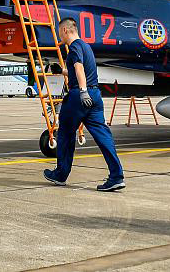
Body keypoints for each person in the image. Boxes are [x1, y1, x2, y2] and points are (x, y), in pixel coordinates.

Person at [43, 17, 125, 191]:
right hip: (95, 96)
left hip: (79, 96)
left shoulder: (73, 47)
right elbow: (81, 71)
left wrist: (82, 91)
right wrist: (62, 71)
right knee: (103, 135)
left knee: (65, 134)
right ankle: (116, 176)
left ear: (65, 30)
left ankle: (60, 174)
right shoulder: (86, 47)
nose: (59, 36)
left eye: (59, 32)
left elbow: (79, 68)